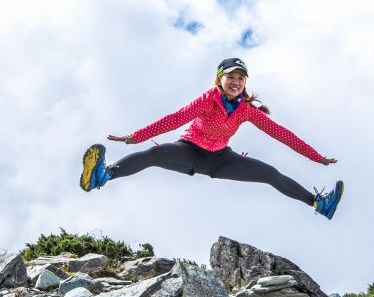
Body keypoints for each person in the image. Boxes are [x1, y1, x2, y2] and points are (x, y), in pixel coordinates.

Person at [79, 57, 343, 219]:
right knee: (155, 155)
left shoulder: (246, 111)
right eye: (231, 77)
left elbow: (282, 134)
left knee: (270, 174)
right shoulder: (209, 99)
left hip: (221, 160)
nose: (236, 82)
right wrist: (137, 136)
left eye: (241, 78)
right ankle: (104, 175)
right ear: (220, 79)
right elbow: (177, 118)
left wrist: (315, 156)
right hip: (190, 151)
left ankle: (319, 204)